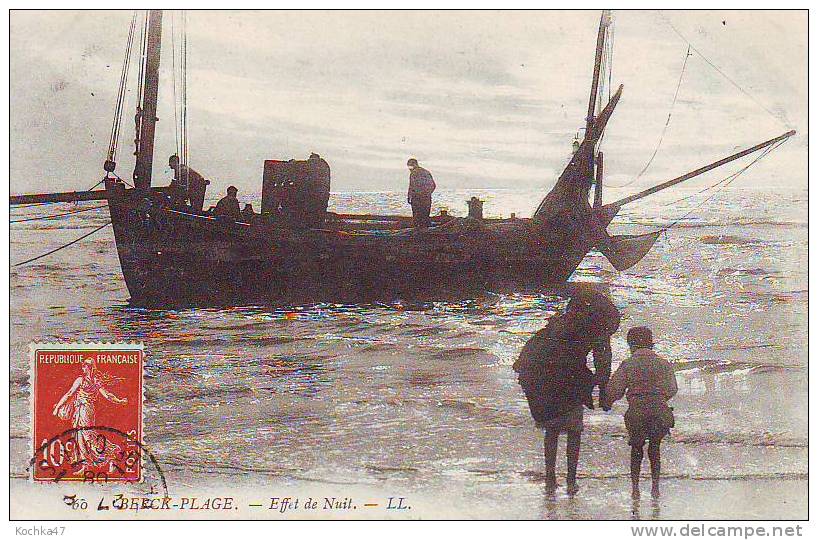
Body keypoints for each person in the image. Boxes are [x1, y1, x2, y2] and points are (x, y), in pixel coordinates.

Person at [513, 289, 620, 494]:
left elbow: (530, 352)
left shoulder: (557, 325)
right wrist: (603, 392)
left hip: (543, 379)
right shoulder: (595, 328)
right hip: (569, 379)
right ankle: (571, 479)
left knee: (552, 430)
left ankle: (551, 477)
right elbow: (602, 363)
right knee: (573, 431)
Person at [603, 327, 678, 500]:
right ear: (651, 344)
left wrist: (607, 401)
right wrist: (660, 397)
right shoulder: (663, 363)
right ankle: (655, 487)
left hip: (636, 410)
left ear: (631, 345)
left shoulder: (628, 364)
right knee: (655, 448)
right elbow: (672, 389)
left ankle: (635, 488)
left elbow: (615, 390)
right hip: (659, 409)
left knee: (636, 448)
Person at [52, 358, 128, 471]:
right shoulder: (93, 380)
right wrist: (119, 401)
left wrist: (57, 407)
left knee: (88, 435)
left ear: (89, 367)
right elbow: (107, 395)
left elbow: (69, 394)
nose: (83, 368)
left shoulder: (86, 380)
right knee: (80, 436)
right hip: (81, 410)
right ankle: (85, 464)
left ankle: (112, 454)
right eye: (83, 366)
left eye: (85, 366)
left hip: (85, 410)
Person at [406, 158, 436, 227]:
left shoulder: (413, 173)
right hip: (426, 198)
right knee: (425, 218)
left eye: (410, 166)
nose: (409, 169)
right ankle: (426, 234)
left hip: (417, 199)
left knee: (417, 219)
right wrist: (427, 194)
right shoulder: (426, 172)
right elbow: (433, 185)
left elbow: (411, 186)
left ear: (414, 164)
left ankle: (418, 235)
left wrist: (409, 196)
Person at [306, 152, 331, 227]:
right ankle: (319, 224)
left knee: (315, 211)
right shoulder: (324, 165)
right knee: (320, 211)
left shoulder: (315, 165)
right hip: (323, 193)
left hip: (317, 194)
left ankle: (316, 226)